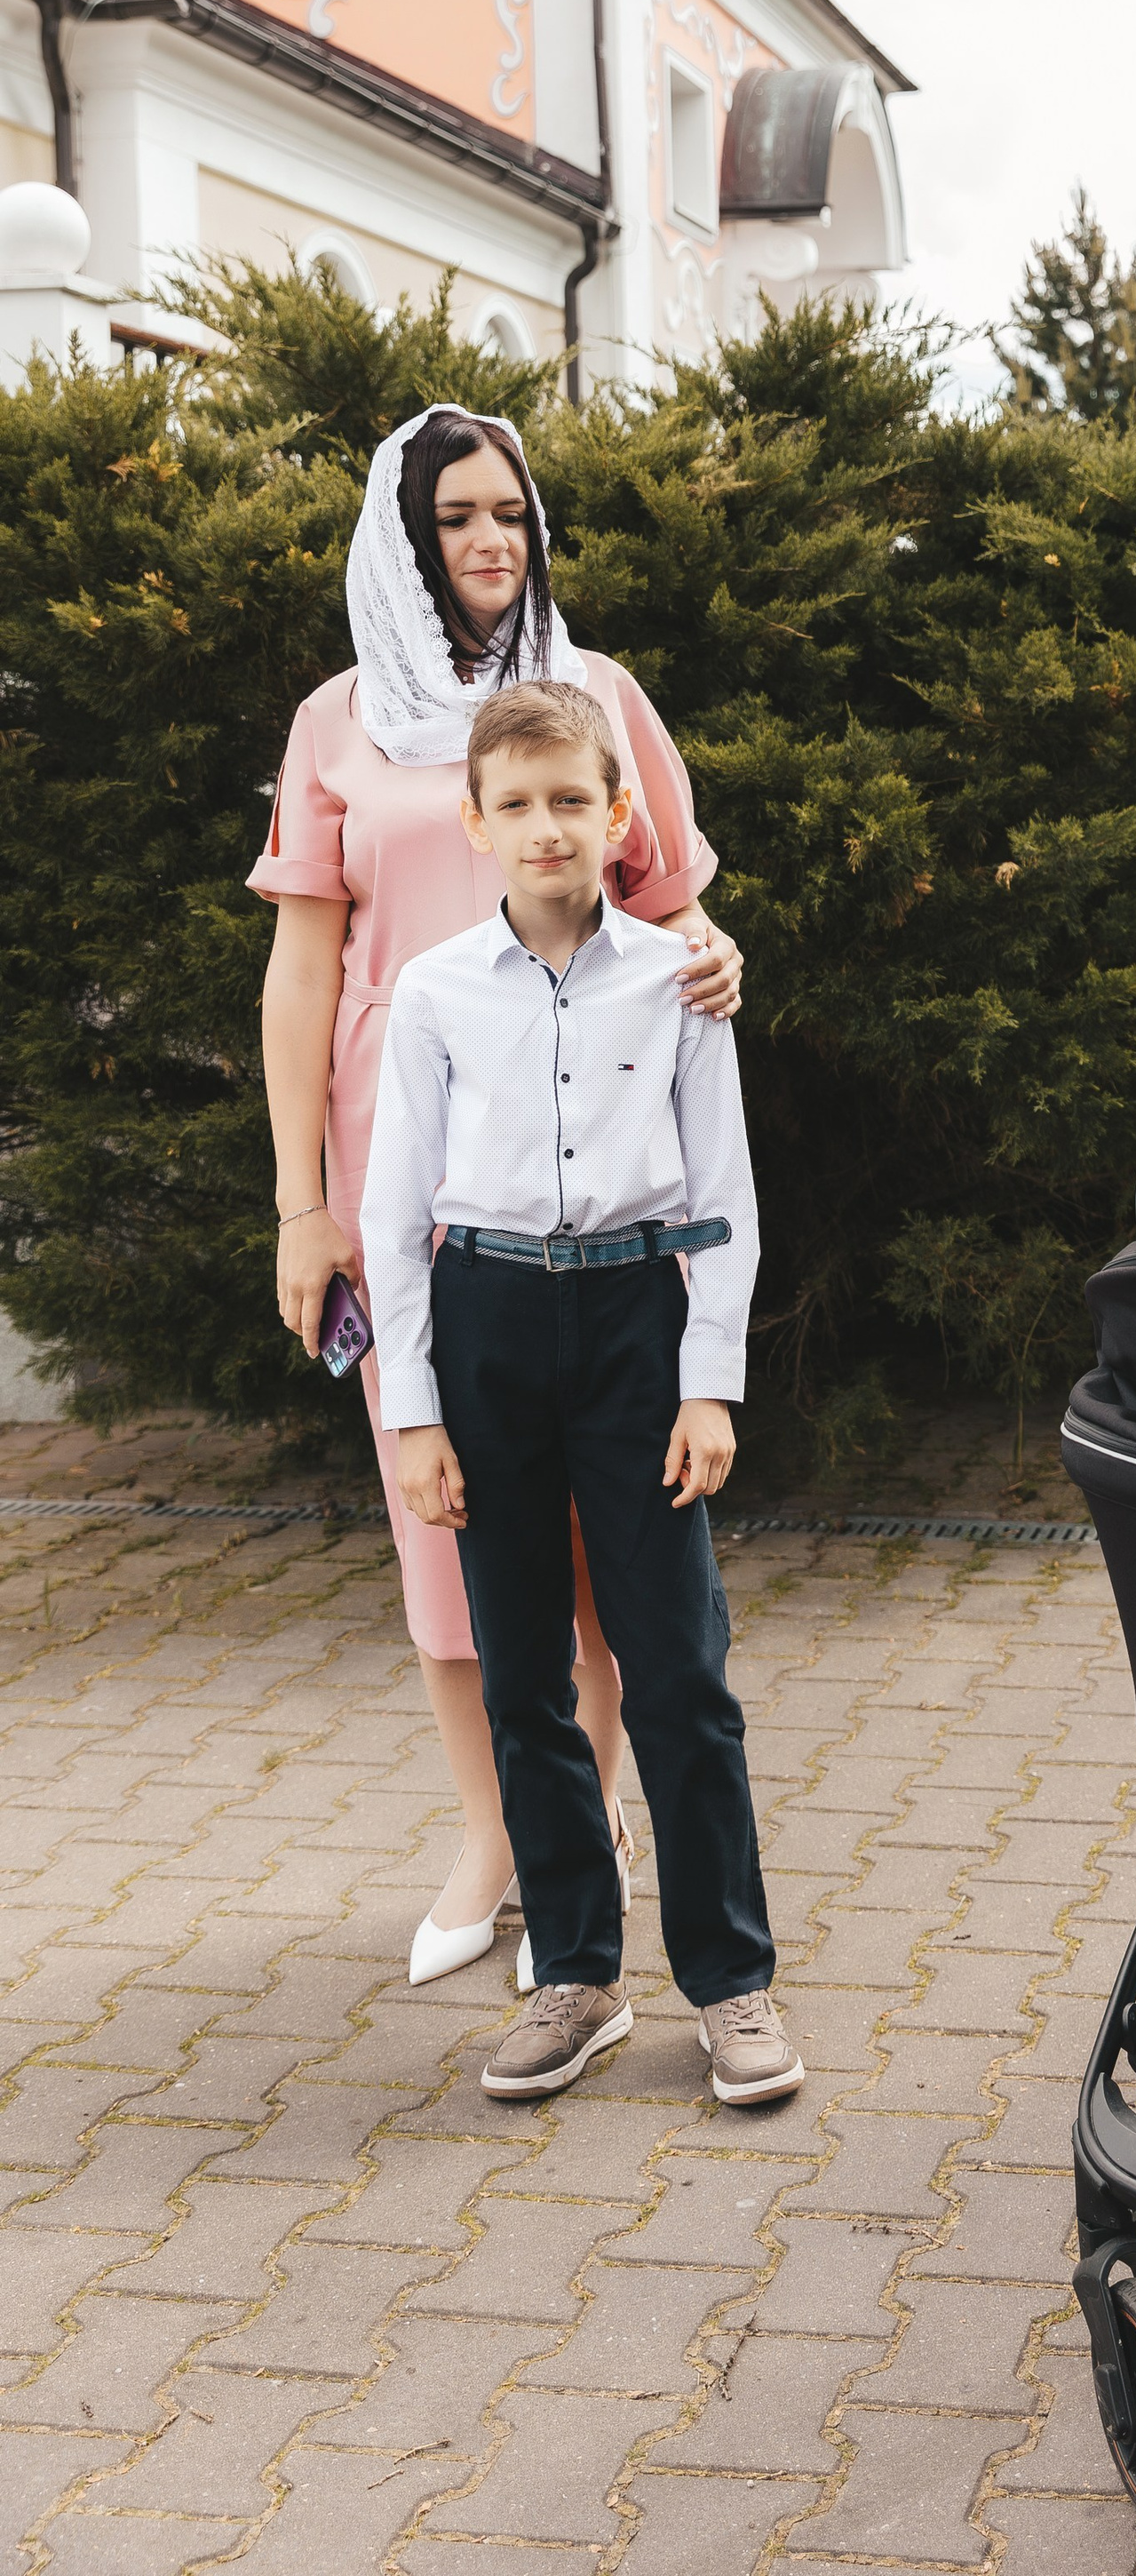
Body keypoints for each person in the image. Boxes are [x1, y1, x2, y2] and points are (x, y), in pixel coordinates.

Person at [250, 404, 743, 1988]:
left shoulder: (594, 698)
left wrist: (725, 958)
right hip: (417, 1190)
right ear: (404, 534)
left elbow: (676, 909)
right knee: (452, 1524)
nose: (490, 539)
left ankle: (584, 1829)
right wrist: (301, 1202)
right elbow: (304, 961)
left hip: (596, 1198)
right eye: (457, 513)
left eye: (512, 513)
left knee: (611, 1543)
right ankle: (494, 1832)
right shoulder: (337, 719)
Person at [361, 676, 796, 2104]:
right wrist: (415, 1410)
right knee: (525, 1675)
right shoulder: (431, 994)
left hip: (633, 1323)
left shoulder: (679, 978)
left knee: (678, 1673)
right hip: (484, 1326)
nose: (545, 827)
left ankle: (732, 1987)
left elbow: (722, 1191)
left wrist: (709, 1384)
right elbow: (393, 1216)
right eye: (515, 805)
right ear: (474, 826)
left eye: (571, 801)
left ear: (620, 818)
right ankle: (575, 1978)